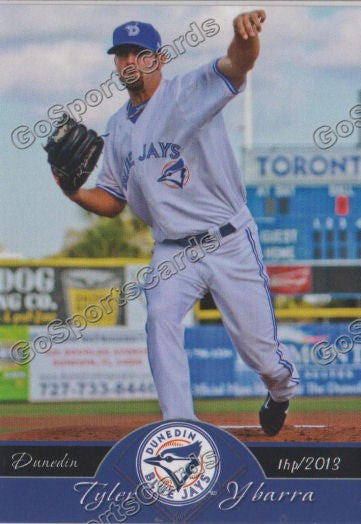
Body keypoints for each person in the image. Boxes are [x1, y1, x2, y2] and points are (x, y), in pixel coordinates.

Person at [65, 10, 299, 435]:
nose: (130, 61)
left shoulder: (189, 91)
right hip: (173, 250)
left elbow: (237, 63)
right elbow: (112, 200)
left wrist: (244, 37)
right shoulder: (117, 129)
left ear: (159, 59)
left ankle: (280, 390)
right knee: (160, 319)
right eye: (122, 55)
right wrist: (72, 191)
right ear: (116, 64)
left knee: (261, 353)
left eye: (140, 53)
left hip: (228, 238)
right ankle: (179, 424)